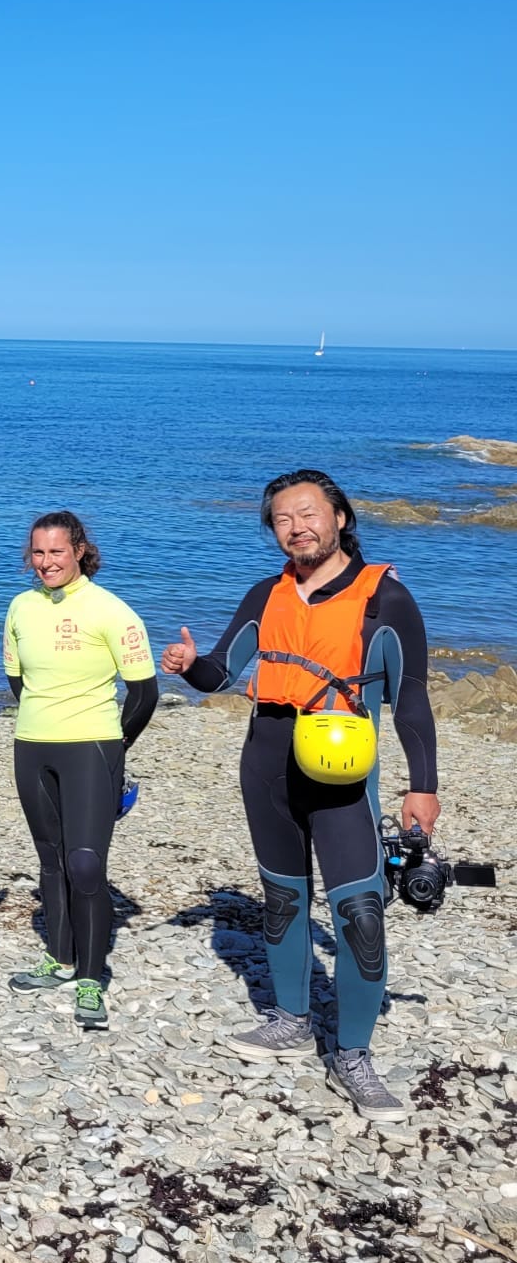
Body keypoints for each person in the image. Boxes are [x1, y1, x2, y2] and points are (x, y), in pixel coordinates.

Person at [162, 470, 439, 1122]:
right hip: (266, 765)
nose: (297, 527)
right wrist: (187, 665)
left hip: (345, 777)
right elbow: (222, 674)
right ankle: (290, 1020)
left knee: (361, 915)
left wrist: (422, 786)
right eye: (283, 519)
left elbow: (415, 700)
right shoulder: (266, 593)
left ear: (341, 518)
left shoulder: (384, 599)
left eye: (309, 513)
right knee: (284, 899)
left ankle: (353, 1055)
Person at [2, 511, 158, 1032]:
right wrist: (44, 720)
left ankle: (91, 977)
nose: (47, 562)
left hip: (92, 747)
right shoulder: (20, 608)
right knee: (50, 859)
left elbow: (144, 693)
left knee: (86, 864)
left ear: (80, 552)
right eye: (39, 553)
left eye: (57, 552)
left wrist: (111, 746)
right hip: (32, 746)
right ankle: (60, 958)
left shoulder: (111, 611)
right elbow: (17, 680)